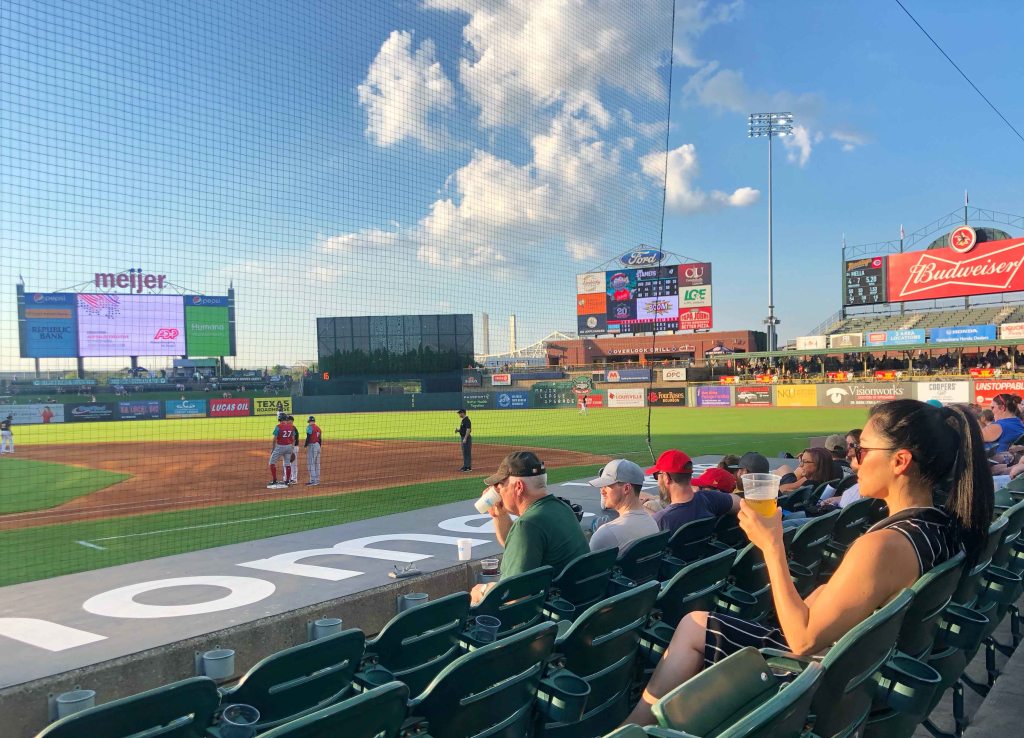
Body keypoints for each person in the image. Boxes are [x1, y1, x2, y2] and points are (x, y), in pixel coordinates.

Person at [624, 399, 993, 726]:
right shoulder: (943, 525)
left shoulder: (885, 546)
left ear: (900, 461)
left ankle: (632, 729)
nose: (853, 460)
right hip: (863, 674)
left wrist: (771, 545)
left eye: (861, 450)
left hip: (815, 683)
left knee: (693, 625)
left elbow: (801, 641)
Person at [470, 451, 588, 605]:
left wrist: (483, 590)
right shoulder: (561, 508)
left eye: (500, 486)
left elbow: (514, 596)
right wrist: (499, 515)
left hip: (548, 619)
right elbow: (514, 543)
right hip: (573, 605)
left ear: (518, 487)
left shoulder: (528, 525)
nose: (498, 492)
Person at [648, 450, 739, 533]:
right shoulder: (710, 499)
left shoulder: (661, 521)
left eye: (657, 475)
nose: (658, 481)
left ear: (666, 477)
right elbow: (740, 503)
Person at [588, 459, 659, 553]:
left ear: (626, 488)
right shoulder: (653, 523)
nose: (602, 491)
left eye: (607, 486)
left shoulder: (606, 533)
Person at [267, 413, 296, 488]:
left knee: (271, 463)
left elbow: (274, 439)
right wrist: (292, 448)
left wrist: (273, 449)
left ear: (279, 419)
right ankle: (287, 481)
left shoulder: (278, 427)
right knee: (287, 464)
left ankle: (274, 480)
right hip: (289, 446)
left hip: (280, 447)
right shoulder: (292, 427)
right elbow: (293, 438)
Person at [304, 415, 322, 486]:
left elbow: (308, 437)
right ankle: (317, 480)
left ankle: (313, 481)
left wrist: (305, 445)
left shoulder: (309, 427)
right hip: (318, 445)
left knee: (310, 463)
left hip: (312, 445)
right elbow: (320, 439)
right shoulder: (318, 428)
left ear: (309, 421)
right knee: (317, 464)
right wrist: (319, 447)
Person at [286, 415, 300, 485]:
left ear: (291, 421)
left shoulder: (293, 428)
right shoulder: (289, 428)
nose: (286, 421)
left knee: (293, 464)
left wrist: (291, 449)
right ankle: (286, 478)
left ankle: (294, 479)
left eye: (287, 420)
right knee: (286, 463)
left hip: (293, 447)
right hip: (289, 447)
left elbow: (293, 439)